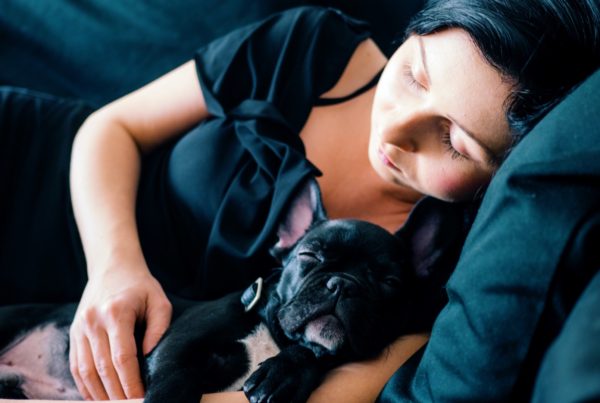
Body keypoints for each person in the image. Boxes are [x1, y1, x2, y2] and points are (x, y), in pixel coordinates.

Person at [0, 1, 598, 402]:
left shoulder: (442, 269)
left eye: (452, 141)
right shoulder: (318, 46)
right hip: (46, 176)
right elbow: (112, 129)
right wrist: (113, 267)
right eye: (414, 75)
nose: (395, 132)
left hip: (117, 366)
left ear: (500, 173)